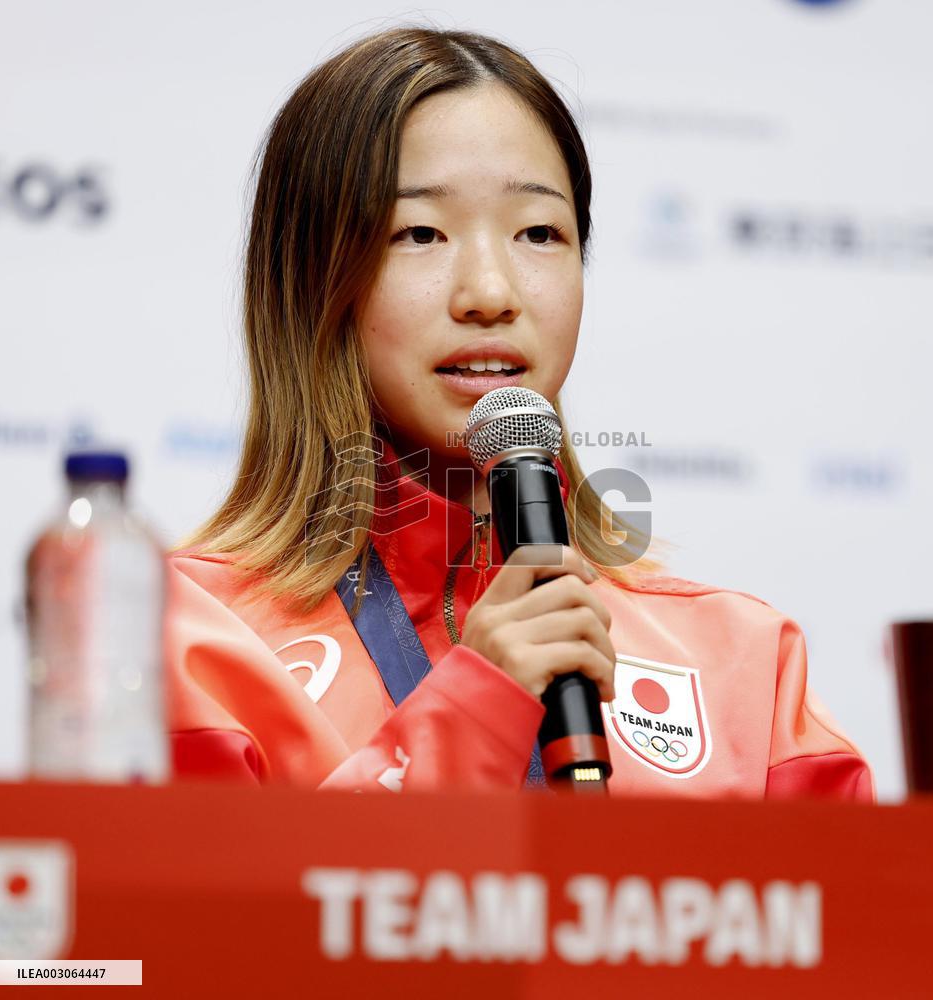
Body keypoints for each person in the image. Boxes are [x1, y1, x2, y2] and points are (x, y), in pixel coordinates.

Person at [168, 25, 874, 801]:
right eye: (420, 233)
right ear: (307, 279)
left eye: (538, 232)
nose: (490, 293)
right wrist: (475, 706)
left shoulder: (743, 661)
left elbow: (842, 917)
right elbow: (217, 918)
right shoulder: (186, 636)